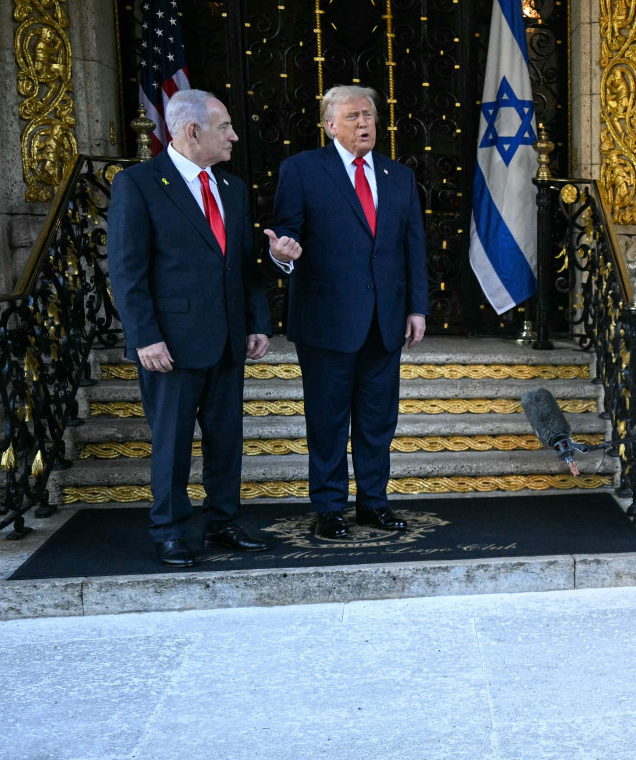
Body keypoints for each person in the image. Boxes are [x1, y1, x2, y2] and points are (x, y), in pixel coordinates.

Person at [106, 89, 275, 567]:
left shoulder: (232, 188)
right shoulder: (138, 184)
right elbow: (126, 269)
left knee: (226, 442)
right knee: (173, 443)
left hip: (227, 339)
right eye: (225, 126)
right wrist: (144, 336)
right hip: (171, 343)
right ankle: (169, 531)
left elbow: (243, 264)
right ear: (193, 130)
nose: (234, 136)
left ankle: (223, 524)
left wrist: (256, 321)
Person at [266, 85, 427, 540]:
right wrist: (283, 252)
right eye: (354, 116)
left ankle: (374, 504)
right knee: (328, 420)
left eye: (371, 116)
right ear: (330, 124)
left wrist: (417, 307)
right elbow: (286, 233)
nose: (365, 124)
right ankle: (329, 507)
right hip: (325, 321)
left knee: (378, 421)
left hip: (385, 320)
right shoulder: (301, 170)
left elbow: (413, 245)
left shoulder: (399, 176)